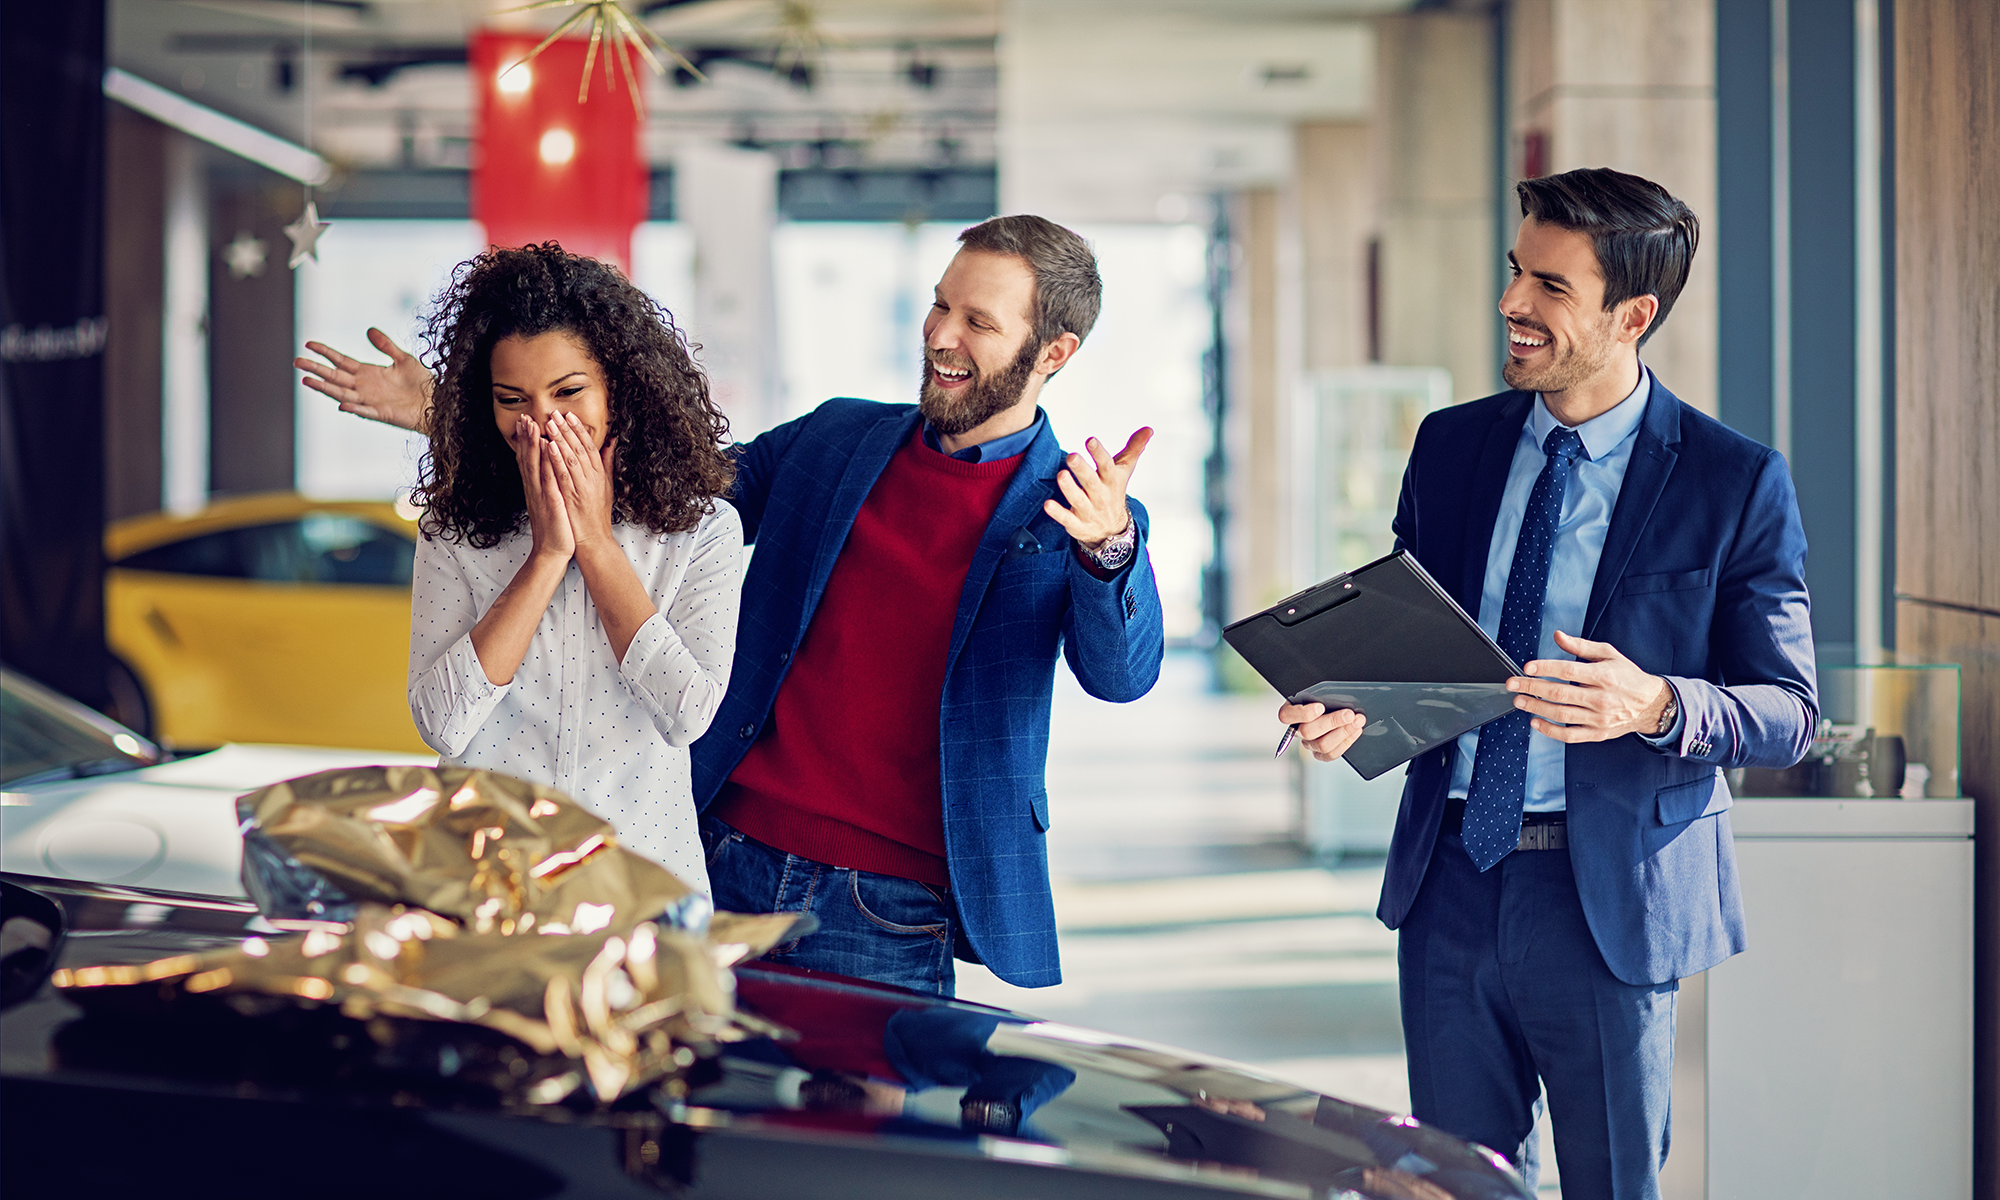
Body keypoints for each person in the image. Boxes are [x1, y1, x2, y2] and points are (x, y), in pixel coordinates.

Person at [298, 215, 1166, 997]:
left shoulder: (1079, 510)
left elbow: (1121, 677)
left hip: (891, 906)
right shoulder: (837, 440)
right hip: (724, 855)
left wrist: (1109, 545)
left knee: (841, 1164)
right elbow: (666, 479)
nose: (941, 334)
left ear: (1053, 352)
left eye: (978, 321)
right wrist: (462, 415)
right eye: (941, 305)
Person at [1281, 168, 1816, 1199]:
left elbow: (1787, 712)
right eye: (1514, 272)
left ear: (1632, 315)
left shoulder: (1729, 478)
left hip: (1604, 896)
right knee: (1448, 1183)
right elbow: (1410, 645)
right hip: (1448, 877)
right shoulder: (1449, 447)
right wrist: (1352, 707)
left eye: (1549, 288)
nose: (1510, 304)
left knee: (1612, 1183)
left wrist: (1657, 703)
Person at [398, 243, 742, 892]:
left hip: (641, 896)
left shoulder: (701, 531)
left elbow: (687, 713)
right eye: (512, 399)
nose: (541, 423)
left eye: (568, 391)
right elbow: (443, 726)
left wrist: (598, 547)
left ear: (623, 388)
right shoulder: (453, 531)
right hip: (486, 894)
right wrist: (548, 556)